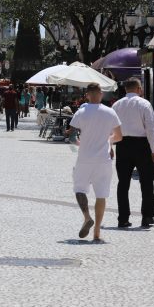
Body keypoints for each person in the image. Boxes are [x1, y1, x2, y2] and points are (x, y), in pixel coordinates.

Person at [65, 82, 122, 243]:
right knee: (101, 195)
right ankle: (97, 231)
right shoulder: (110, 112)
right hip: (103, 160)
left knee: (79, 189)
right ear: (101, 94)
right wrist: (108, 141)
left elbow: (71, 136)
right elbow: (119, 136)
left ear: (87, 95)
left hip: (84, 158)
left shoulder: (81, 112)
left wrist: (78, 142)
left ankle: (86, 217)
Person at [111, 77, 154, 229]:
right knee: (146, 182)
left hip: (122, 144)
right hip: (142, 145)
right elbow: (151, 129)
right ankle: (147, 216)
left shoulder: (116, 105)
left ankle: (123, 218)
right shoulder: (144, 104)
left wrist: (110, 147)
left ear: (126, 89)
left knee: (123, 183)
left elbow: (111, 128)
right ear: (139, 89)